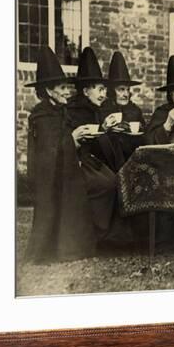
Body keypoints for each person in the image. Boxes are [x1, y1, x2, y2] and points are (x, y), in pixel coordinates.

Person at [24, 46, 99, 264]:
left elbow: (61, 143)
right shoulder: (42, 115)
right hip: (48, 175)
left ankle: (71, 247)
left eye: (67, 87)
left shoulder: (60, 110)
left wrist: (73, 140)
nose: (68, 92)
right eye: (62, 87)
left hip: (64, 170)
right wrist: (73, 139)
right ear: (49, 91)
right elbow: (48, 150)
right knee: (52, 207)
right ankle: (55, 250)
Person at [65, 47, 127, 241]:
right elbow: (74, 141)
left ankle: (107, 232)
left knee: (116, 179)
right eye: (100, 90)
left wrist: (107, 130)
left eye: (104, 90)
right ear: (85, 91)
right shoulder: (73, 110)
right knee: (107, 184)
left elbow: (98, 139)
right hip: (75, 162)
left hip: (93, 160)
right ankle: (97, 233)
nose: (104, 94)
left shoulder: (96, 109)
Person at [100, 51, 146, 160]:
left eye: (127, 90)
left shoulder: (135, 111)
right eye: (121, 90)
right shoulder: (102, 109)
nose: (125, 94)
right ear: (112, 91)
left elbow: (144, 138)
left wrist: (140, 128)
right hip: (108, 159)